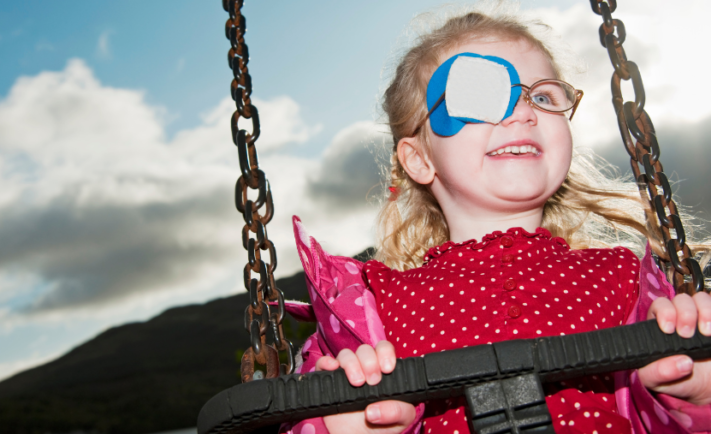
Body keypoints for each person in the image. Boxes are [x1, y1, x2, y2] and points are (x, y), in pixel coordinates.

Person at [282, 4, 711, 434]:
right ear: (419, 159)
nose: (524, 112)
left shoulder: (626, 282)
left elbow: (658, 420)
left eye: (542, 97)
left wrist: (693, 396)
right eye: (481, 96)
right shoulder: (370, 313)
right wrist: (344, 424)